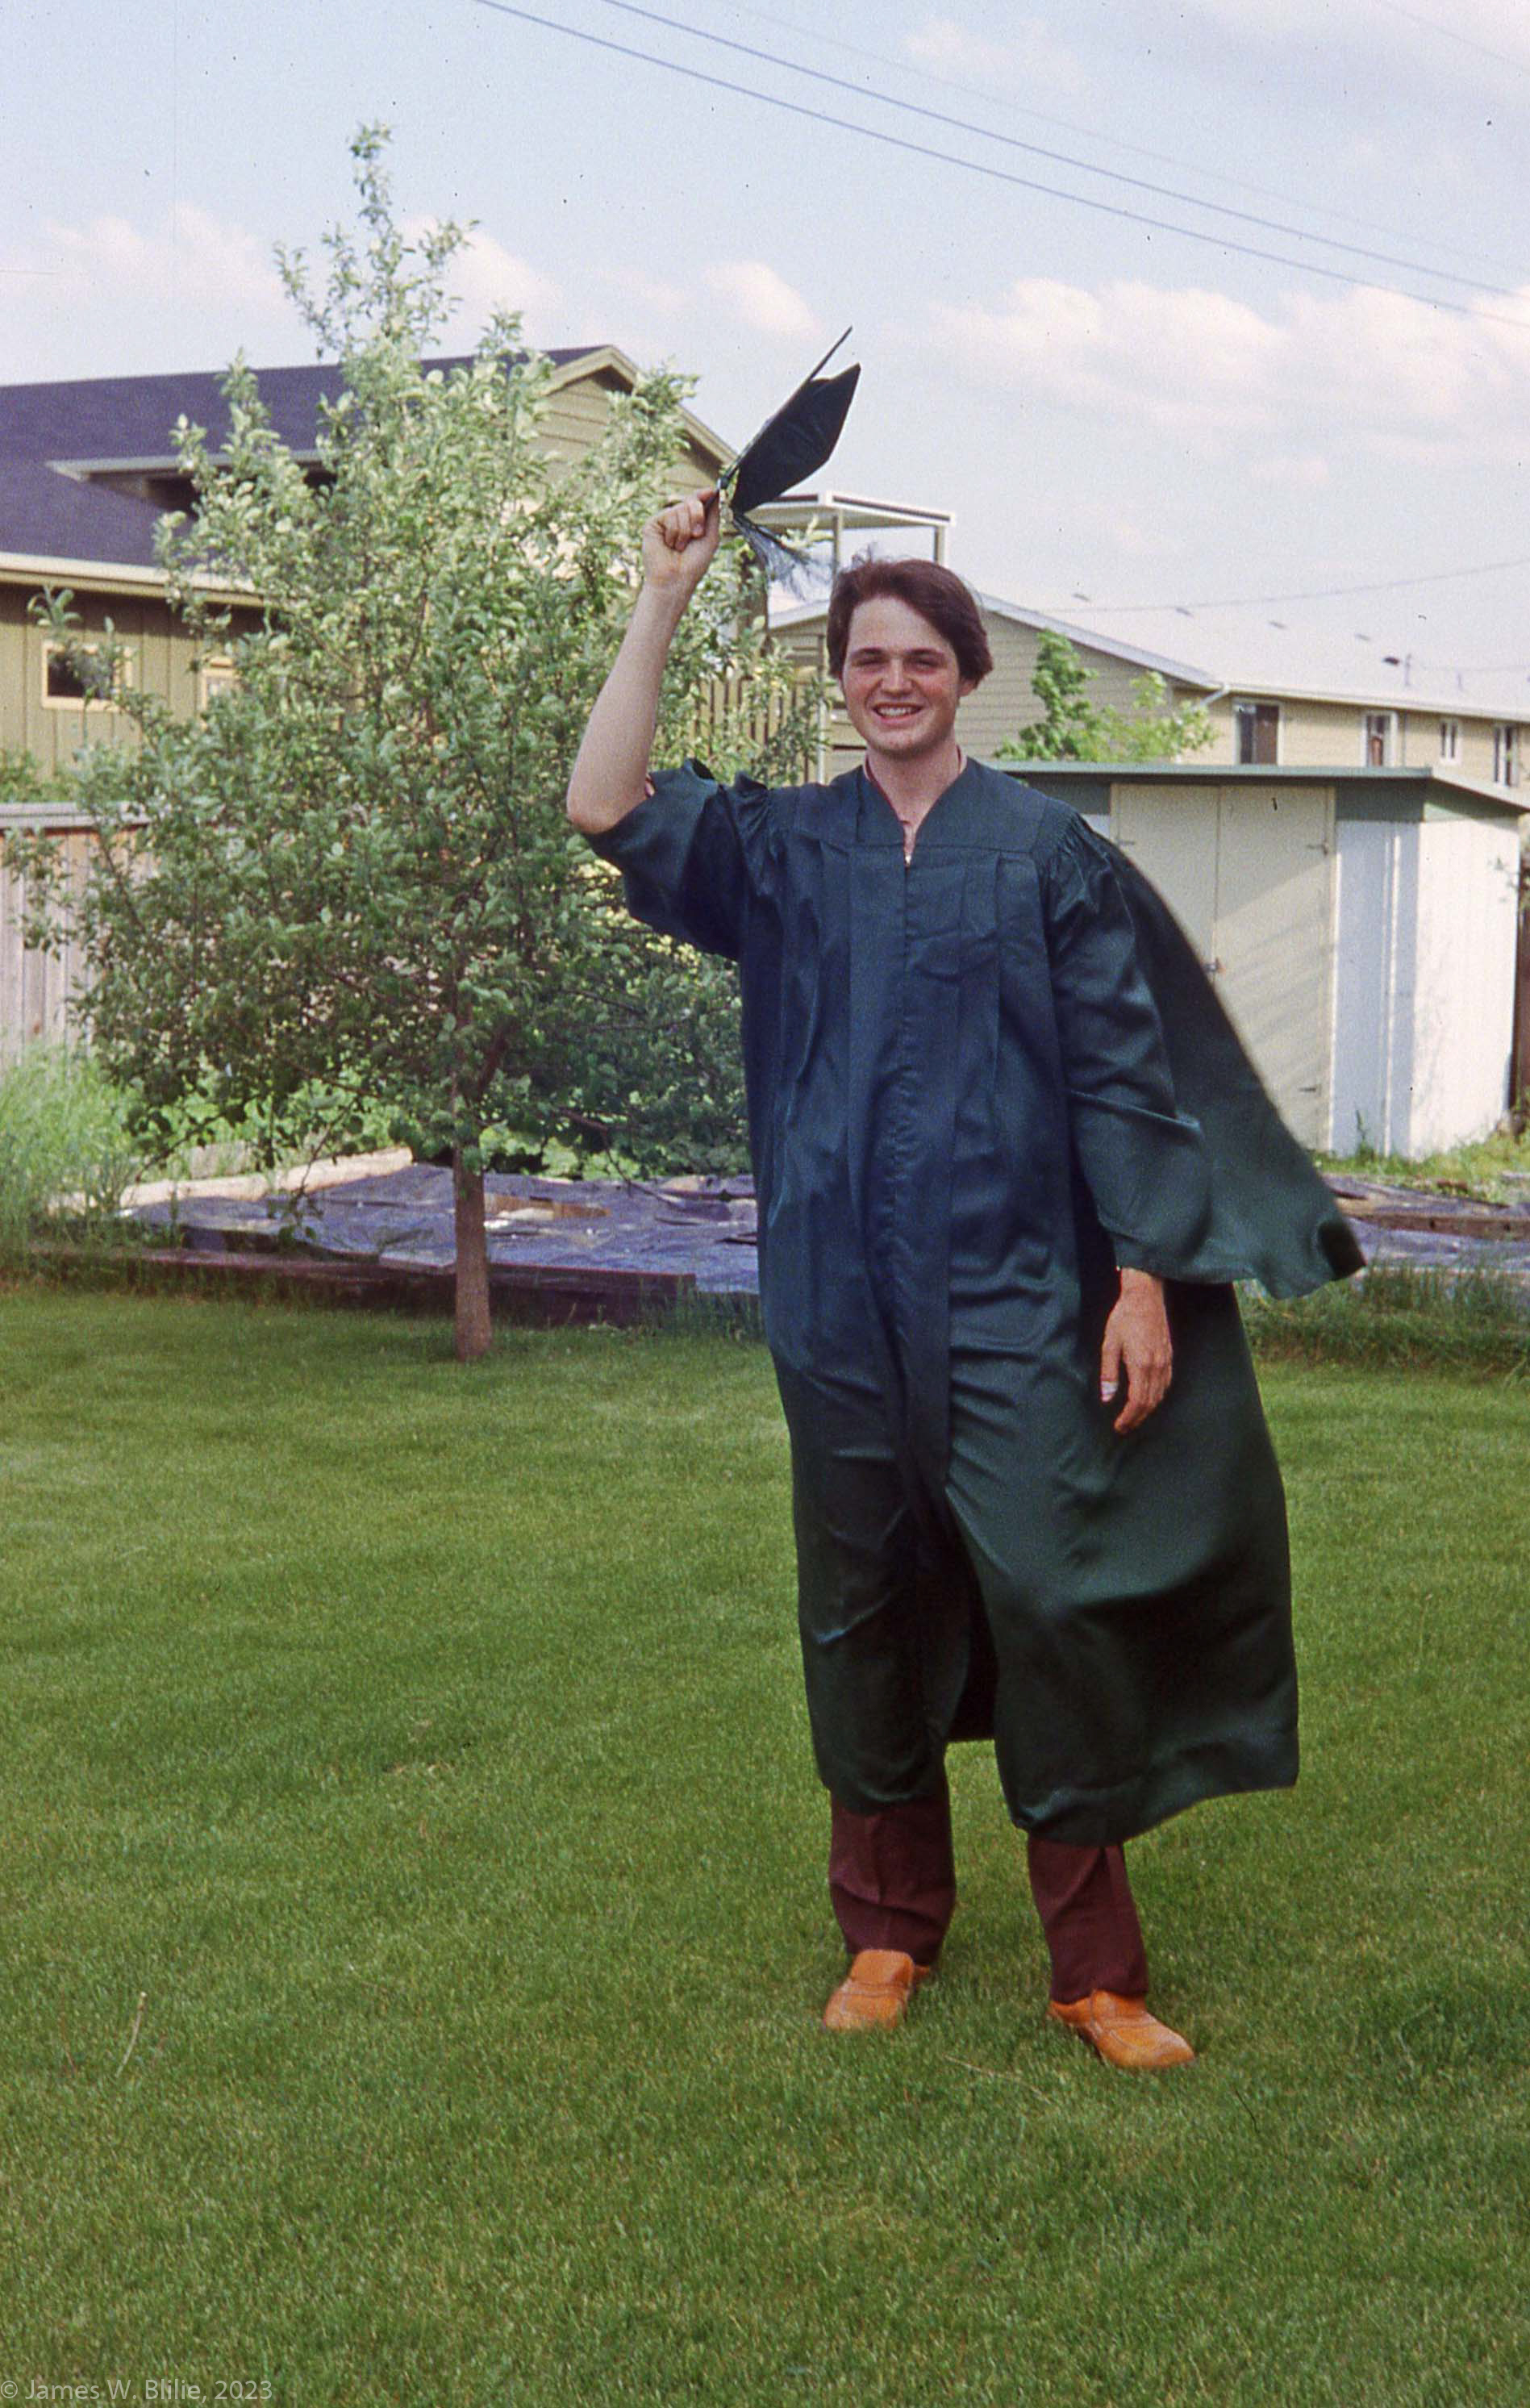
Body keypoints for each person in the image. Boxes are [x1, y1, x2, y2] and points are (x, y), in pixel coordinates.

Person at [566, 490, 1359, 2069]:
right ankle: (885, 1930)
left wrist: (1142, 1277)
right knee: (863, 1600)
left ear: (966, 675)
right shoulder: (783, 849)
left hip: (1015, 1293)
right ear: (840, 679)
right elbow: (603, 801)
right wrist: (663, 590)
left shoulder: (1044, 853)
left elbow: (1124, 1075)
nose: (892, 681)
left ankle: (1094, 1971)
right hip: (837, 1299)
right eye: (866, 658)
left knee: (1053, 1590)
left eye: (920, 658)